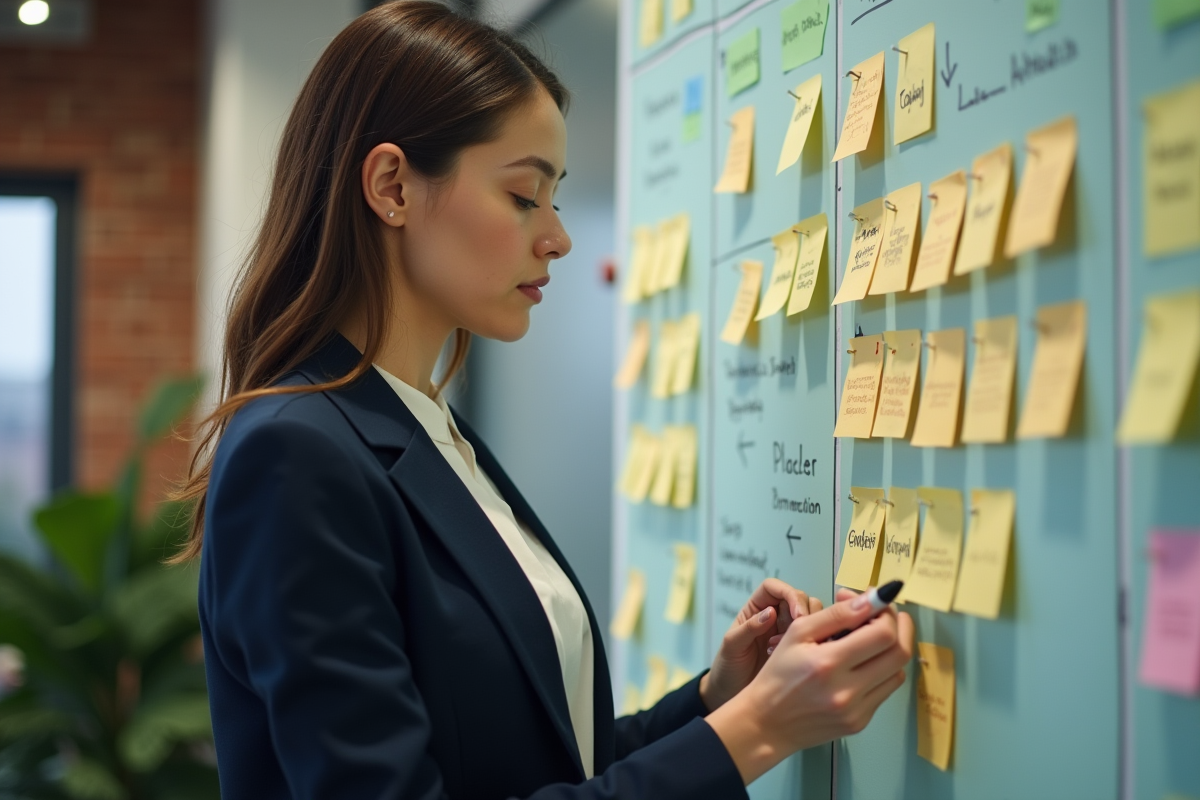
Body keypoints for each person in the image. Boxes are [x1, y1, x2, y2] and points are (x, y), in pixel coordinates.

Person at [173, 3, 914, 798]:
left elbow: (541, 762)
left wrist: (717, 700)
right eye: (526, 196)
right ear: (391, 186)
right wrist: (758, 730)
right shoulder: (297, 452)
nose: (558, 235)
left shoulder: (429, 430)